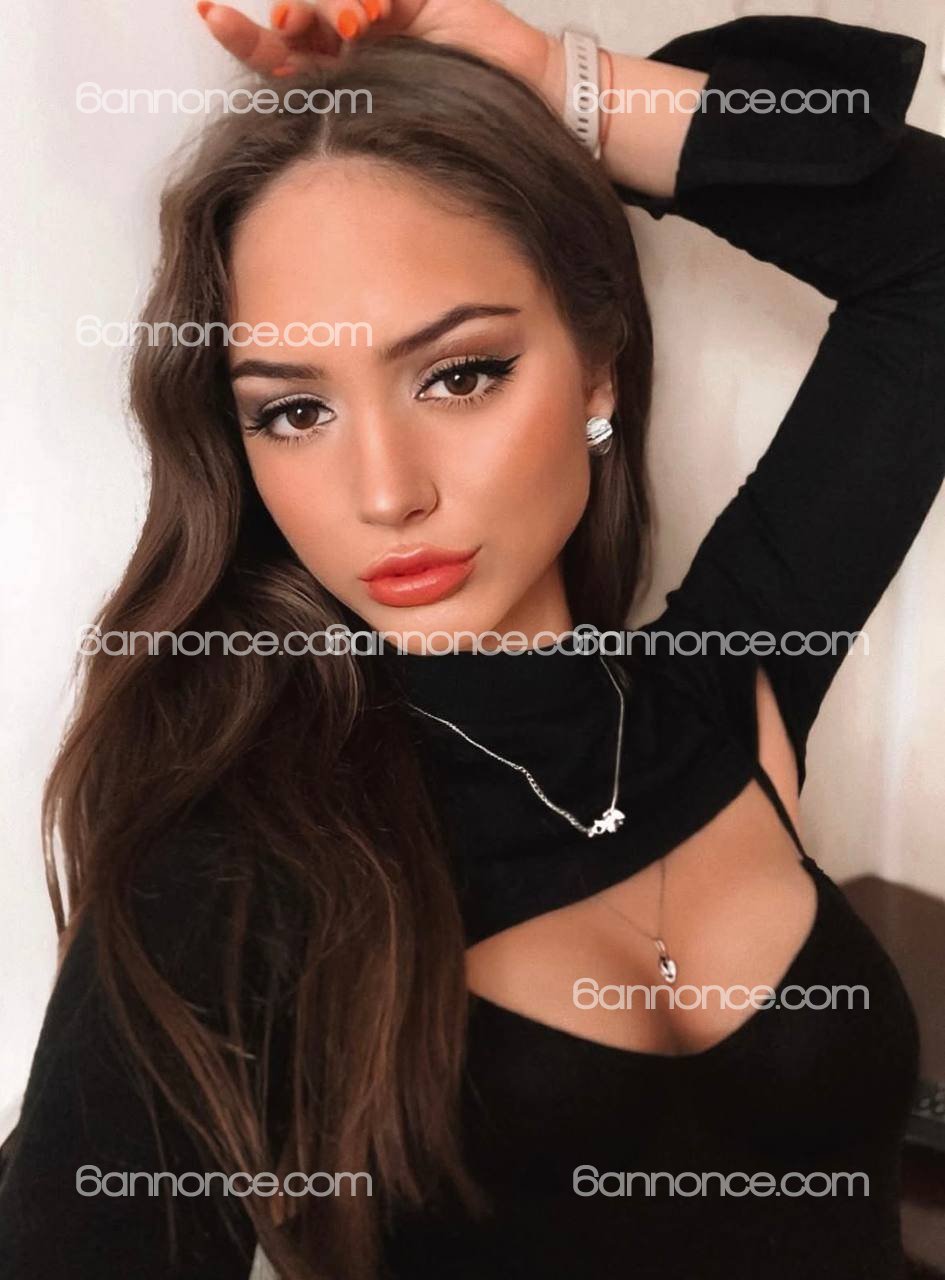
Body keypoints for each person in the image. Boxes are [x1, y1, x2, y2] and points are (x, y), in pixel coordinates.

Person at [1, 3, 943, 1277]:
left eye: (458, 373)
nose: (387, 493)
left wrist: (553, 82)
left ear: (599, 364)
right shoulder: (230, 869)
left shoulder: (718, 690)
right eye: (295, 411)